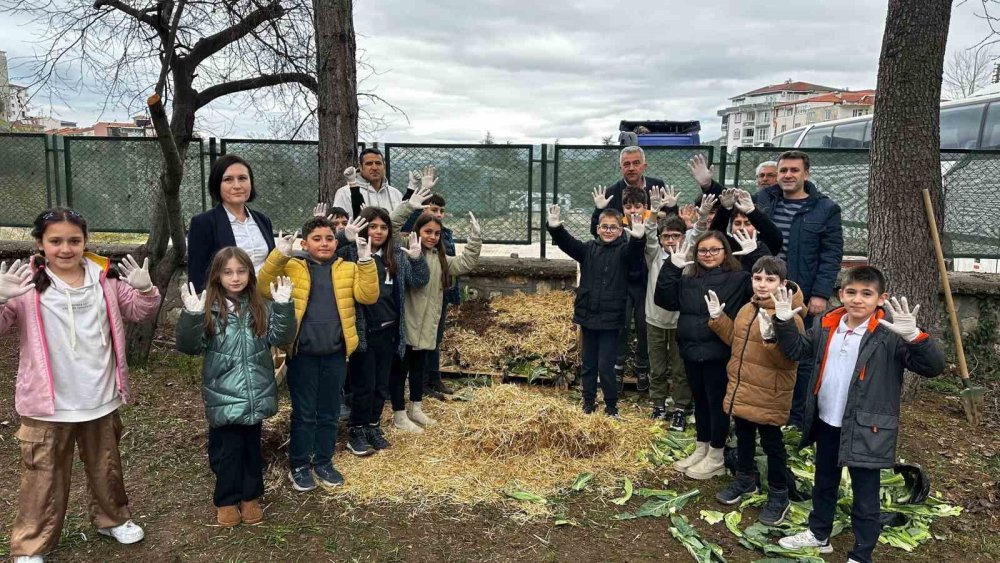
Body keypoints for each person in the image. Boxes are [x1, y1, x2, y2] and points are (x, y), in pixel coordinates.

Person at [0, 208, 161, 562]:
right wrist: (0, 298)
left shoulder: (105, 277)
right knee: (42, 475)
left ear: (85, 241)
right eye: (55, 241)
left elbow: (139, 311)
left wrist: (146, 289)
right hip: (47, 403)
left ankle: (112, 518)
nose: (66, 249)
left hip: (99, 396)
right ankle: (31, 545)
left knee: (106, 464)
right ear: (40, 244)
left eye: (74, 240)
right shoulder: (24, 285)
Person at [773, 266, 945, 563]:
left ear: (881, 298)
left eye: (867, 294)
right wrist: (784, 322)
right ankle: (819, 534)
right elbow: (797, 351)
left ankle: (861, 554)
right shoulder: (827, 326)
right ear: (841, 294)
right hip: (827, 420)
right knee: (824, 482)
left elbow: (932, 367)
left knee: (866, 496)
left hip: (868, 427)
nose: (857, 299)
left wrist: (916, 337)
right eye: (851, 292)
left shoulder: (888, 335)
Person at [175, 249, 297, 527]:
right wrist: (192, 316)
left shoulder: (259, 305)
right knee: (227, 450)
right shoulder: (210, 308)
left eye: (241, 271)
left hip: (254, 393)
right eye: (228, 272)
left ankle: (250, 497)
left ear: (250, 274)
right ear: (217, 275)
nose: (235, 277)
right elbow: (190, 346)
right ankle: (227, 500)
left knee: (252, 447)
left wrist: (283, 307)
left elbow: (281, 337)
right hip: (223, 394)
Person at [257, 216, 380, 492]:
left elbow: (368, 295)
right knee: (304, 413)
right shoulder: (292, 267)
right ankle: (299, 465)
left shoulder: (347, 268)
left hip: (335, 354)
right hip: (302, 355)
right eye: (317, 238)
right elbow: (263, 287)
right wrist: (278, 256)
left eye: (329, 238)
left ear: (336, 242)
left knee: (328, 412)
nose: (324, 243)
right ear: (304, 243)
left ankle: (323, 461)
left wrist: (365, 261)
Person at [654, 230, 767, 480]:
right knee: (701, 401)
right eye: (703, 250)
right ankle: (701, 446)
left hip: (720, 351)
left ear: (725, 252)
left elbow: (767, 283)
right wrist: (671, 268)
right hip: (692, 351)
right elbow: (664, 299)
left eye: (715, 250)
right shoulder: (688, 279)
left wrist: (756, 254)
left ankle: (716, 454)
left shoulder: (739, 278)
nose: (708, 255)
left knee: (718, 404)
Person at [706, 256, 806, 525]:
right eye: (757, 278)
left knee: (772, 444)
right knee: (745, 436)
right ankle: (745, 479)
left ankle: (778, 493)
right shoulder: (747, 310)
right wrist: (718, 319)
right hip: (743, 388)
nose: (762, 285)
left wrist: (772, 337)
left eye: (770, 280)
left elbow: (787, 360)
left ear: (783, 283)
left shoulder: (790, 318)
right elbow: (735, 340)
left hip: (769, 394)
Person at [756, 150, 844, 427]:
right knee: (762, 350)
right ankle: (762, 412)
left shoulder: (825, 209)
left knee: (800, 356)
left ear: (806, 174)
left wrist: (819, 293)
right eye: (783, 171)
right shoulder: (764, 201)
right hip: (763, 291)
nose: (788, 175)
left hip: (800, 295)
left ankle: (796, 419)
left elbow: (831, 255)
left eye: (794, 170)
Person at [338, 206, 430, 451]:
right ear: (364, 228)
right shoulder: (350, 253)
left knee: (381, 385)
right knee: (363, 384)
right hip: (364, 331)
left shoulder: (396, 256)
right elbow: (326, 257)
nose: (378, 231)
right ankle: (357, 430)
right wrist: (342, 237)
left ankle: (373, 425)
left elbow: (419, 281)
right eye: (373, 226)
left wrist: (416, 258)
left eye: (383, 227)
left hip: (389, 332)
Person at [389, 188, 482, 426]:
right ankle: (399, 414)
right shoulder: (404, 250)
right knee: (401, 369)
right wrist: (408, 206)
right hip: (408, 322)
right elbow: (390, 227)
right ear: (418, 231)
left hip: (428, 323)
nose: (432, 236)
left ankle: (416, 408)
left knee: (419, 367)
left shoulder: (440, 259)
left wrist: (475, 238)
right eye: (427, 231)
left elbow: (466, 262)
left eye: (436, 233)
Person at [547, 203, 645, 416]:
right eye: (604, 226)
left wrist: (638, 239)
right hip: (588, 316)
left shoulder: (623, 251)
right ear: (598, 228)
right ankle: (588, 403)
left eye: (613, 227)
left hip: (611, 320)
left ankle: (611, 407)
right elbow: (568, 244)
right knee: (589, 364)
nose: (608, 230)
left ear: (620, 230)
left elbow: (634, 255)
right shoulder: (588, 250)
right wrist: (555, 228)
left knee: (606, 366)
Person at [592, 185, 652, 391]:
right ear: (623, 208)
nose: (633, 210)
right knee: (622, 324)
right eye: (628, 206)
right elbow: (597, 231)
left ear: (645, 207)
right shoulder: (619, 227)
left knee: (644, 325)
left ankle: (643, 365)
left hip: (645, 286)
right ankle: (617, 366)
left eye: (638, 206)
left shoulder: (652, 224)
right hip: (623, 285)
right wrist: (599, 210)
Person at [187, 154, 275, 293]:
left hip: (264, 302)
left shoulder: (263, 220)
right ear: (217, 185)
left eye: (242, 178)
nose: (237, 185)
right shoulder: (203, 223)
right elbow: (197, 276)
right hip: (227, 306)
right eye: (228, 179)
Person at [641, 208, 692, 430]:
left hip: (680, 323)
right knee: (657, 368)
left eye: (676, 236)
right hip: (654, 321)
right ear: (660, 239)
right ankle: (658, 405)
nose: (671, 240)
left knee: (681, 370)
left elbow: (698, 232)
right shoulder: (654, 255)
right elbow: (649, 233)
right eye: (666, 236)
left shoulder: (689, 256)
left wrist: (701, 218)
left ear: (683, 237)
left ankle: (680, 408)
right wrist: (652, 212)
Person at [709, 188, 784, 261]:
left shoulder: (764, 245)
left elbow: (775, 236)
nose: (742, 228)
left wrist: (752, 212)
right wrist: (725, 209)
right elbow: (715, 234)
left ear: (756, 228)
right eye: (737, 223)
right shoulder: (727, 244)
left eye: (747, 224)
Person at [332, 148, 404, 218]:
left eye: (378, 163)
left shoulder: (396, 193)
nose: (374, 167)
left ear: (384, 166)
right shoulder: (345, 193)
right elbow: (338, 223)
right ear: (360, 167)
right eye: (369, 164)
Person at [602, 146, 666, 215]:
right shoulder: (611, 193)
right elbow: (601, 223)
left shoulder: (657, 186)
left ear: (644, 166)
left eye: (636, 163)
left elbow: (671, 219)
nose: (631, 168)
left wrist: (672, 206)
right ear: (621, 168)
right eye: (626, 164)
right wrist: (599, 209)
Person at [687, 155, 777, 194]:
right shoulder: (754, 201)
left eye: (770, 175)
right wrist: (708, 185)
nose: (765, 179)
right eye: (761, 176)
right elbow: (727, 196)